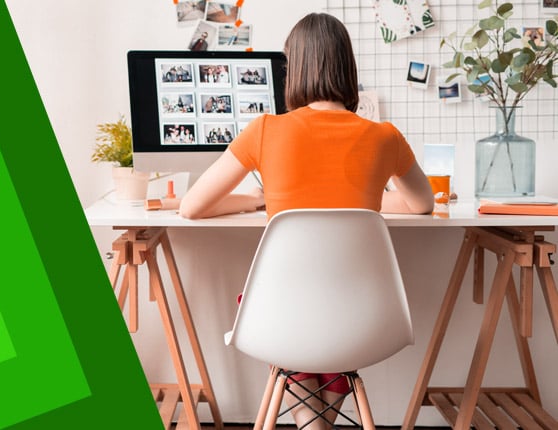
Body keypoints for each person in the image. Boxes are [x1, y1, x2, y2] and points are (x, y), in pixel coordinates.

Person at [178, 12, 433, 430]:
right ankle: (317, 426)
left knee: (278, 305)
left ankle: (310, 425)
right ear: (348, 68)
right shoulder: (384, 136)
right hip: (364, 319)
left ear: (292, 68)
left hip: (278, 319)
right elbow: (423, 203)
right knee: (333, 311)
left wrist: (259, 199)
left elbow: (192, 206)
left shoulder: (265, 130)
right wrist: (366, 202)